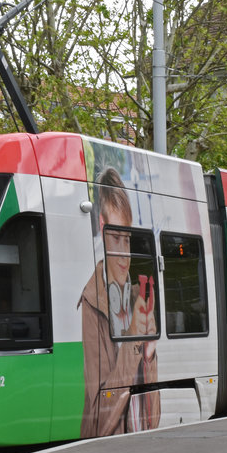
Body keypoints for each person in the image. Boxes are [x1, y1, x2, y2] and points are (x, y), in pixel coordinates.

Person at [78, 167, 158, 438]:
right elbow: (101, 417)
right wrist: (135, 336)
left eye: (128, 239)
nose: (125, 254)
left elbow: (154, 419)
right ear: (102, 227)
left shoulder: (138, 298)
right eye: (115, 238)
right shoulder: (91, 302)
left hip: (140, 449)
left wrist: (148, 356)